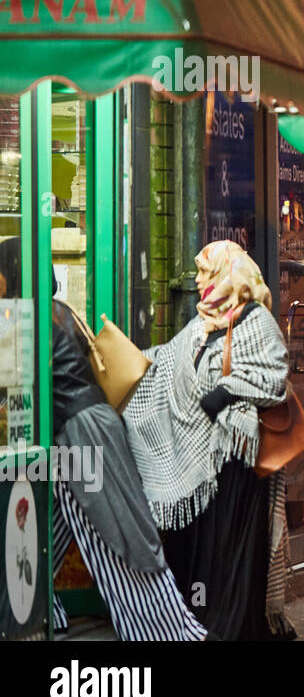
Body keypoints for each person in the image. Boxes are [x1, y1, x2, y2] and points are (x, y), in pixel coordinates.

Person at [0, 241, 206, 641]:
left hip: (81, 438)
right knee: (50, 526)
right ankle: (37, 611)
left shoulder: (21, 317)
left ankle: (172, 633)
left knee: (115, 538)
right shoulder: (60, 312)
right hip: (93, 428)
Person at [123, 240, 295, 639]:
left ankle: (231, 628)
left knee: (229, 553)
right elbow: (163, 361)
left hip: (237, 466)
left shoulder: (255, 319)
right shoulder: (202, 323)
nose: (199, 281)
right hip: (202, 467)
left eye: (206, 272)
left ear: (228, 275)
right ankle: (202, 624)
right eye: (198, 272)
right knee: (204, 553)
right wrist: (117, 362)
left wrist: (227, 392)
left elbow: (274, 375)